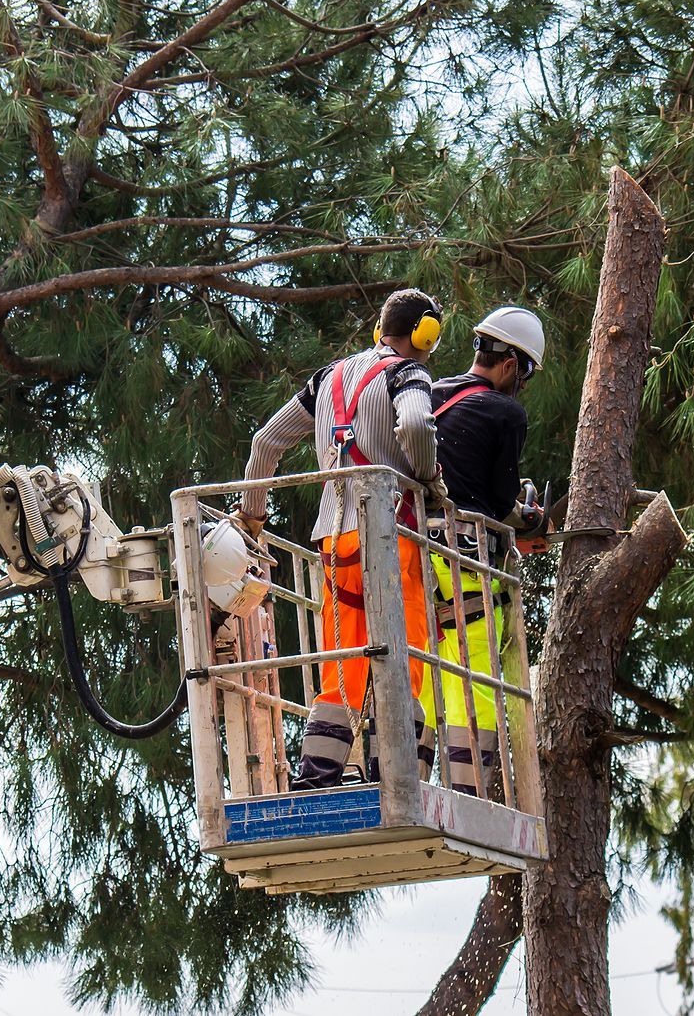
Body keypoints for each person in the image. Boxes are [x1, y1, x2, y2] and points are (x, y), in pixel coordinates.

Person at [231, 289, 449, 789]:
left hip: (334, 538)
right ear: (424, 335)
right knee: (406, 648)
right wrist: (429, 477)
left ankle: (320, 772)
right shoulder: (407, 373)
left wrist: (253, 516)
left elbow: (265, 443)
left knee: (344, 659)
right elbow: (416, 422)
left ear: (380, 328)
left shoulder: (327, 377)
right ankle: (394, 773)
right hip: (393, 533)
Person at [420, 305, 546, 796]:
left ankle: (406, 772)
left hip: (414, 551)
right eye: (526, 375)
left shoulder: (430, 394)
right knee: (476, 670)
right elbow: (497, 500)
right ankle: (468, 790)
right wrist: (530, 518)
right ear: (513, 364)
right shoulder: (506, 412)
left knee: (425, 666)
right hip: (465, 557)